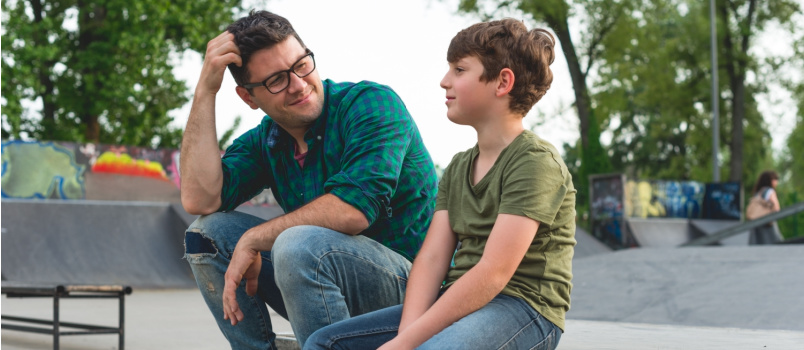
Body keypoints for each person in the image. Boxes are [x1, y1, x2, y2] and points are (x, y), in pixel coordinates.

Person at [305, 18, 576, 350]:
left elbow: (493, 272)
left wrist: (404, 345)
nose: (444, 81)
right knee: (325, 342)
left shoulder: (535, 161)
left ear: (503, 82)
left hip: (524, 308)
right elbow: (433, 259)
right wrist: (405, 336)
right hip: (457, 298)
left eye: (459, 70)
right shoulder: (459, 166)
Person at [179, 10, 438, 349]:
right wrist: (205, 91)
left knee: (297, 244)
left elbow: (353, 211)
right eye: (276, 80)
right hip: (323, 279)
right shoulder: (267, 141)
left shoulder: (370, 104)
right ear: (248, 97)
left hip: (417, 292)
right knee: (207, 234)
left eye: (301, 65)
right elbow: (199, 199)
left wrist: (255, 238)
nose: (299, 85)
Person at [748, 170, 783, 244]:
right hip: (767, 223)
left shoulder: (758, 192)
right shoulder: (770, 191)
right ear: (770, 180)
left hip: (757, 223)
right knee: (774, 244)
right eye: (775, 179)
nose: (776, 182)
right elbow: (777, 208)